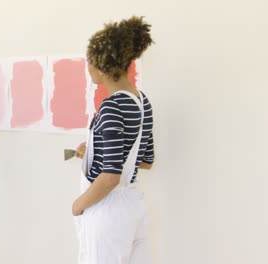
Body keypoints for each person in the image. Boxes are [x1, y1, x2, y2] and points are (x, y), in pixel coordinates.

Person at [72, 16, 155, 264]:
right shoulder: (142, 102)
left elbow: (110, 176)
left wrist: (78, 206)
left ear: (101, 66)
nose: (87, 67)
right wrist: (98, 149)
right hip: (132, 208)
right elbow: (146, 160)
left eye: (89, 62)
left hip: (106, 211)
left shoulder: (110, 107)